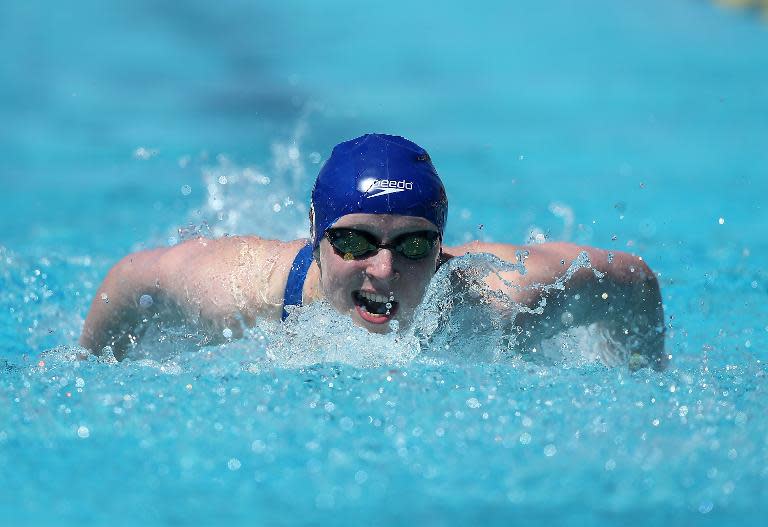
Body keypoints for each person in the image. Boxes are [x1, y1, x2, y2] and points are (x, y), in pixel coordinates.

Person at [80, 133, 667, 370]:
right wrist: (89, 367)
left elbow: (634, 279)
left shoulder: (499, 297)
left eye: (413, 245)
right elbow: (132, 279)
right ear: (317, 235)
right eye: (355, 241)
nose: (383, 270)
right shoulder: (240, 288)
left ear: (440, 246)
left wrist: (641, 376)